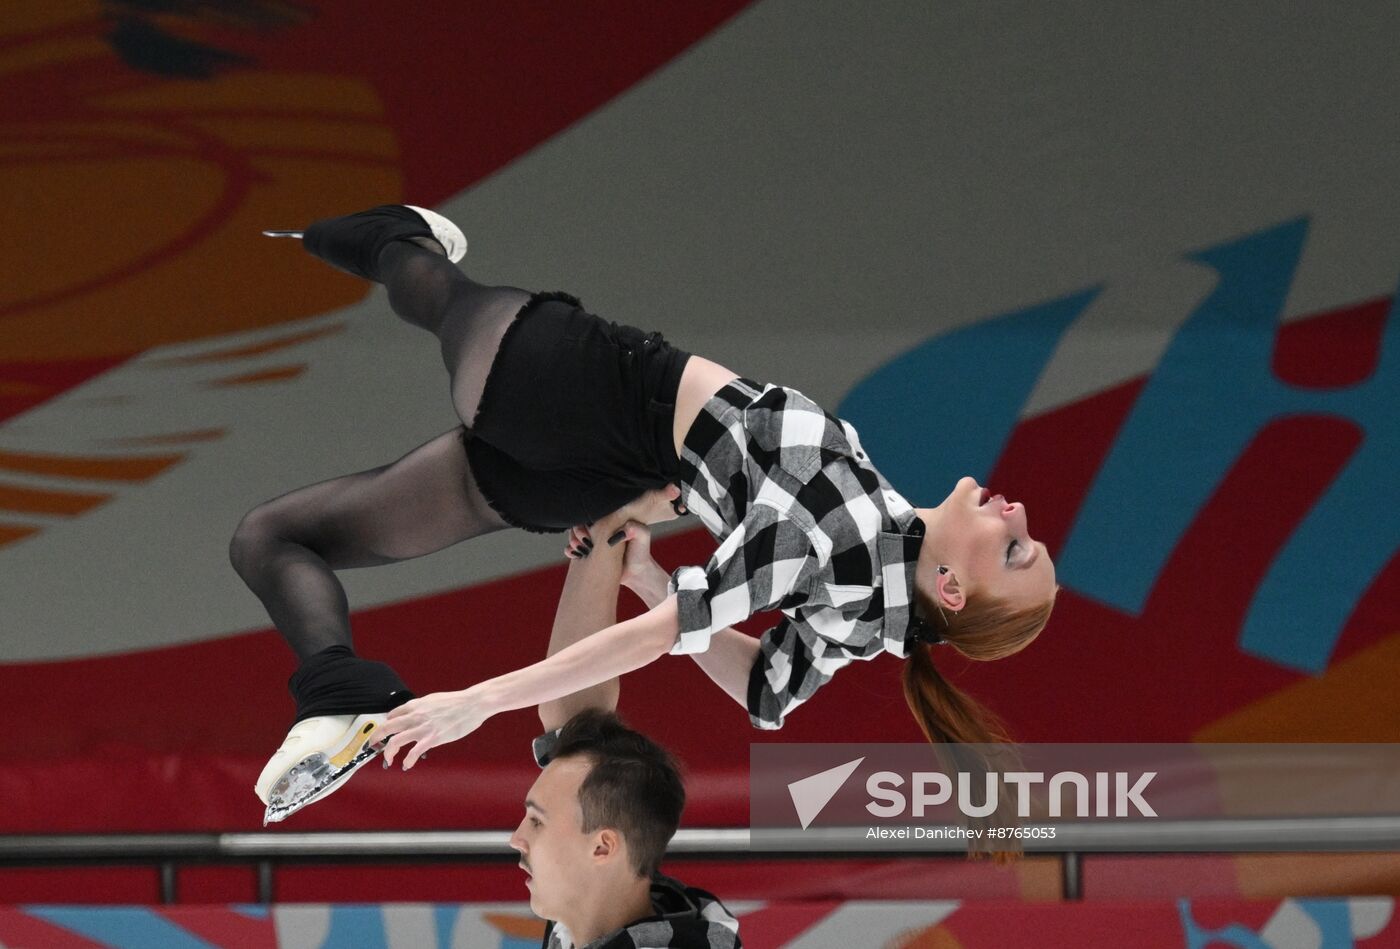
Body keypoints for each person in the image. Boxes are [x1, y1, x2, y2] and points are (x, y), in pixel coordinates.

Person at [234, 204, 1057, 821]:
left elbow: (662, 639)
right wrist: (658, 578)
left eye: (1014, 548)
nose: (1016, 511)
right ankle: (339, 692)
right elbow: (765, 691)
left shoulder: (836, 529)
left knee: (432, 288)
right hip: (603, 478)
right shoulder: (872, 609)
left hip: (593, 395)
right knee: (270, 537)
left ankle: (388, 231)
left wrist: (475, 701)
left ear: (950, 586)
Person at [520, 530, 739, 948]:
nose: (516, 838)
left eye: (536, 821)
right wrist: (603, 529)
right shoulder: (617, 921)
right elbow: (572, 708)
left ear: (603, 847)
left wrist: (609, 517)